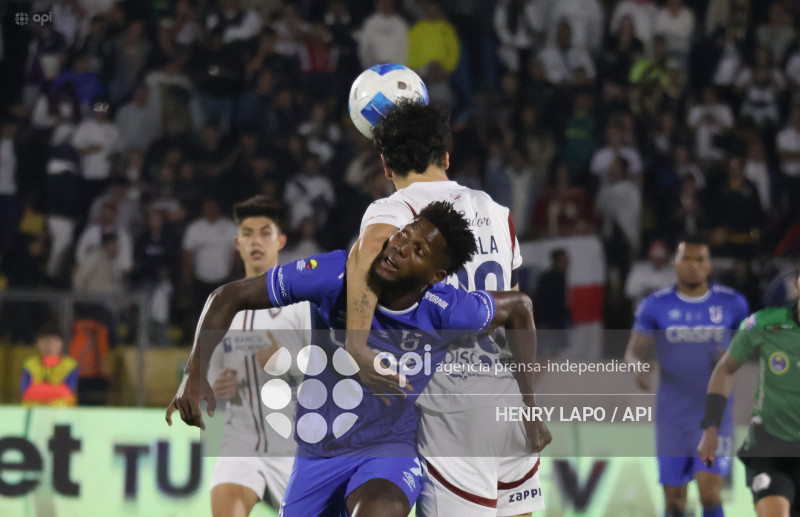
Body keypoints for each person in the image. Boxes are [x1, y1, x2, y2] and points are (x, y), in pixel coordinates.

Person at [167, 202, 549, 517]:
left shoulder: (445, 308)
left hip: (388, 452)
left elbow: (520, 307)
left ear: (436, 275)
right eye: (405, 234)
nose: (400, 246)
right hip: (315, 455)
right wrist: (194, 373)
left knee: (379, 511)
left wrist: (529, 409)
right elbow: (228, 296)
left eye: (418, 250)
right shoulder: (334, 275)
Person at [343, 100, 545, 516]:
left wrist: (357, 344)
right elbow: (515, 309)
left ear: (385, 165)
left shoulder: (395, 211)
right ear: (446, 156)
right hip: (509, 403)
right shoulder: (497, 211)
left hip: (453, 410)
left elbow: (362, 258)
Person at [626, 236, 750, 517]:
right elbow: (633, 352)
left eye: (700, 260)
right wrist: (639, 367)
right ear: (675, 263)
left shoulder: (733, 304)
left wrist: (733, 357)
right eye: (687, 259)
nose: (694, 266)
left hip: (715, 417)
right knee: (675, 502)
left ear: (709, 265)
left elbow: (752, 348)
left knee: (709, 492)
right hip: (672, 418)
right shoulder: (655, 305)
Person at [206, 196, 311, 517]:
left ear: (280, 240)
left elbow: (328, 371)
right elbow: (209, 369)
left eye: (265, 232)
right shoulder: (220, 305)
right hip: (240, 445)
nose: (256, 241)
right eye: (248, 233)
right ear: (237, 243)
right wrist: (215, 385)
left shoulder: (302, 304)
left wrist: (285, 364)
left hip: (295, 450)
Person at [698, 267, 800, 517]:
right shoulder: (765, 323)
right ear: (798, 285)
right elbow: (725, 370)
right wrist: (711, 427)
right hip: (769, 449)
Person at [21, 326, 78, 407]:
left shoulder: (70, 365)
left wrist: (38, 389)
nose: (49, 345)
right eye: (45, 341)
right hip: (33, 411)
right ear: (39, 343)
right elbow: (27, 391)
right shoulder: (30, 364)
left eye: (53, 342)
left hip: (60, 413)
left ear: (61, 343)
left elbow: (67, 392)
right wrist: (57, 391)